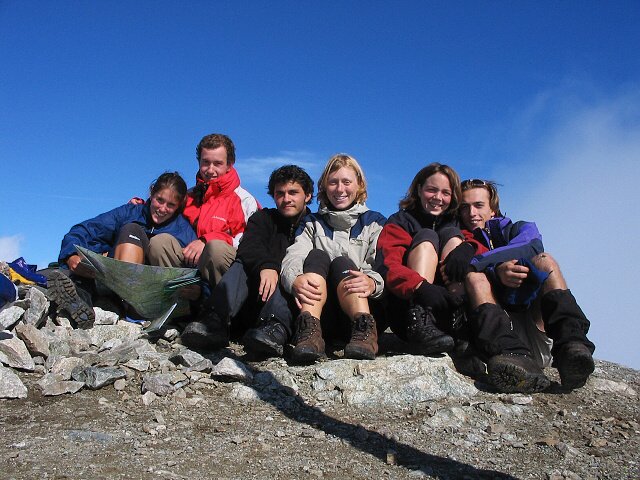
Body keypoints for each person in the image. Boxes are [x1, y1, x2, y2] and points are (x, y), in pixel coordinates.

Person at [458, 178, 595, 391]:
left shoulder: (520, 229)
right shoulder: (458, 240)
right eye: (465, 207)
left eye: (478, 205)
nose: (471, 213)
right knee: (475, 279)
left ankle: (571, 346)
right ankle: (515, 359)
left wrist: (482, 264)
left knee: (545, 261)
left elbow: (531, 246)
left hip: (536, 328)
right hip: (500, 346)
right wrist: (495, 273)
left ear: (492, 209)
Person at [180, 165, 314, 356]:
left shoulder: (314, 225)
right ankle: (215, 319)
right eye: (280, 193)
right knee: (242, 262)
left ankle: (274, 328)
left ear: (307, 195)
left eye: (293, 193)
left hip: (289, 306)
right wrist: (266, 266)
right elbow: (249, 245)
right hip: (256, 298)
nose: (286, 199)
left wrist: (276, 269)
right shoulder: (263, 218)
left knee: (291, 273)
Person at [147, 134, 260, 343]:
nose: (210, 169)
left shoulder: (244, 199)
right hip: (190, 267)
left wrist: (208, 239)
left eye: (218, 163)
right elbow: (163, 212)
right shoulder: (188, 196)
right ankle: (179, 312)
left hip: (222, 266)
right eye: (205, 162)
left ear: (230, 164)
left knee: (215, 248)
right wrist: (140, 205)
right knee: (159, 242)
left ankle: (221, 319)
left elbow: (251, 241)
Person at [53, 172, 197, 328]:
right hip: (113, 279)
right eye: (159, 200)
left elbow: (196, 270)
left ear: (179, 206)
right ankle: (84, 303)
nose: (162, 209)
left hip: (149, 295)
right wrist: (71, 255)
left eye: (171, 205)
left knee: (132, 230)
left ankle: (120, 306)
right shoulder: (130, 212)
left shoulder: (183, 230)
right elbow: (85, 230)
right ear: (152, 193)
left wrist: (199, 291)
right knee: (130, 231)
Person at [280, 154, 386, 363]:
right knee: (317, 255)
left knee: (342, 263)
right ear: (324, 186)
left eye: (346, 182)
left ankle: (364, 332)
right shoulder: (311, 223)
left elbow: (383, 264)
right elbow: (294, 255)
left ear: (359, 185)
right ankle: (309, 332)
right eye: (333, 182)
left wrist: (373, 282)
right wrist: (295, 279)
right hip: (323, 313)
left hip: (362, 308)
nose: (340, 189)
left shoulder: (375, 222)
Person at [376, 163, 471, 355]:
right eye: (431, 190)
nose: (438, 198)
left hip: (447, 306)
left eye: (445, 192)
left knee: (453, 237)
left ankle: (460, 319)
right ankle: (421, 319)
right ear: (419, 189)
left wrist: (469, 248)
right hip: (407, 311)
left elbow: (483, 248)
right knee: (427, 236)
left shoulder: (458, 222)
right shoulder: (400, 221)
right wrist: (420, 287)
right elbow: (387, 264)